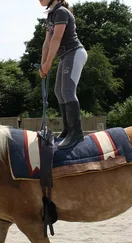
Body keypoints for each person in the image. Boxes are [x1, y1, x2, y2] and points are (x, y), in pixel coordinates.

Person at [39, 0, 88, 149]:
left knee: (67, 91)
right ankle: (68, 130)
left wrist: (48, 63)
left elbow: (57, 38)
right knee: (58, 91)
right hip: (65, 56)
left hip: (74, 53)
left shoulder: (62, 12)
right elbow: (47, 42)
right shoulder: (51, 16)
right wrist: (43, 65)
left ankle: (76, 133)